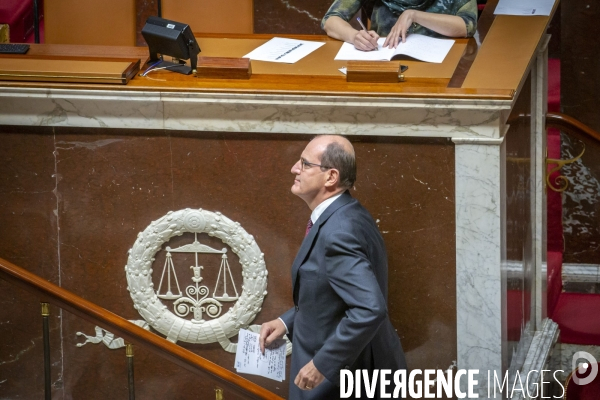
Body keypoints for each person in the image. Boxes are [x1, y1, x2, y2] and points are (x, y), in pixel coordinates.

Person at [259, 135, 406, 399]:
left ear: (331, 177)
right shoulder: (345, 214)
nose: (294, 168)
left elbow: (369, 308)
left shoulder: (339, 230)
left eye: (304, 164)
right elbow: (330, 294)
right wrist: (286, 321)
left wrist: (322, 364)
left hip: (339, 382)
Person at [322, 0, 478, 51]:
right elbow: (331, 20)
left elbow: (467, 25)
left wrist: (414, 15)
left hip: (442, 62)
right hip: (386, 59)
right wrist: (354, 36)